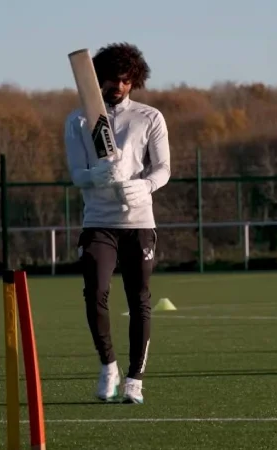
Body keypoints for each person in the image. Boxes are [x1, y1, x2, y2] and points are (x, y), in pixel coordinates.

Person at [64, 42, 171, 404]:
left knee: (139, 299)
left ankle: (134, 379)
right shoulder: (79, 119)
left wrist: (144, 186)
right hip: (98, 221)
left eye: (125, 80)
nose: (118, 86)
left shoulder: (149, 117)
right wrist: (98, 176)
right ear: (98, 79)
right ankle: (108, 364)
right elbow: (77, 174)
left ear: (134, 81)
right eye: (111, 79)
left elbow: (163, 169)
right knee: (95, 291)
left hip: (138, 221)